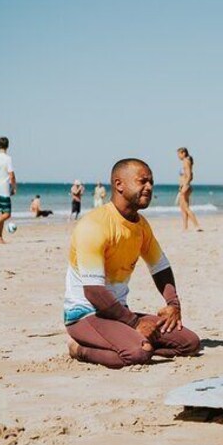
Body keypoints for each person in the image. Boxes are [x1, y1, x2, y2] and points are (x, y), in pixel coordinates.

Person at [63, 158, 201, 368]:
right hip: (86, 315)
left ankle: (131, 339)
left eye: (151, 182)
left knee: (190, 343)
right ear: (119, 184)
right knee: (138, 353)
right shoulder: (94, 225)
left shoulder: (141, 226)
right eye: (142, 181)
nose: (149, 187)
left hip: (118, 313)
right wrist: (136, 323)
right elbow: (93, 292)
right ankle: (78, 349)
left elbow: (160, 267)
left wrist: (173, 305)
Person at [177, 147, 202, 231]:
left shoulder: (186, 161)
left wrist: (185, 185)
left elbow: (189, 175)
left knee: (186, 207)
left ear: (183, 153)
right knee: (183, 207)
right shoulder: (187, 161)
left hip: (185, 186)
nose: (178, 156)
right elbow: (191, 175)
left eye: (179, 154)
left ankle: (197, 225)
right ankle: (185, 227)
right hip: (184, 186)